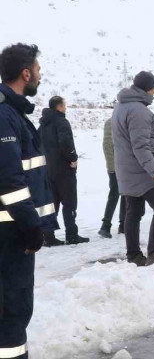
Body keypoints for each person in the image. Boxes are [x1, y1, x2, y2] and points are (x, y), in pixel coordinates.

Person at [0, 43, 55, 359]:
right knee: (12, 310)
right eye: (37, 70)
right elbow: (9, 180)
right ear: (25, 73)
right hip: (11, 234)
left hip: (14, 229)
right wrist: (31, 226)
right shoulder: (5, 116)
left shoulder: (13, 113)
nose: (39, 75)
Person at [111, 71, 154, 267]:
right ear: (148, 89)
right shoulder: (140, 112)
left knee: (134, 212)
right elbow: (141, 147)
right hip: (142, 172)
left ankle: (134, 256)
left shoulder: (120, 107)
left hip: (126, 170)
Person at [38, 96, 89, 244]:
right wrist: (73, 158)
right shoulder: (61, 122)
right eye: (64, 105)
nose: (66, 107)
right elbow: (65, 143)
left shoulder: (42, 125)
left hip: (47, 170)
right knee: (69, 203)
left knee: (51, 204)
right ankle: (71, 234)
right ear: (59, 107)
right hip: (64, 169)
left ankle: (48, 236)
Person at [99, 114, 125, 238]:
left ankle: (123, 224)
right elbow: (108, 146)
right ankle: (106, 225)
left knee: (126, 194)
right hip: (117, 166)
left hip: (123, 165)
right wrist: (113, 167)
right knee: (115, 194)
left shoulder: (120, 120)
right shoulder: (113, 122)